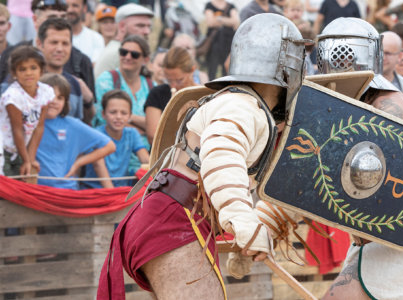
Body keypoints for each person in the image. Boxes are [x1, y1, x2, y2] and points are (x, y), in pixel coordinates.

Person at [97, 13, 309, 299]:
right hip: (173, 220)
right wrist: (243, 224)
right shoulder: (240, 105)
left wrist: (254, 231)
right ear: (287, 68)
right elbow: (222, 159)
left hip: (174, 220)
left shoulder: (244, 105)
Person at [316, 17, 403, 300]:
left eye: (345, 59)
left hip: (400, 240)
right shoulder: (339, 104)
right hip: (369, 239)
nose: (340, 65)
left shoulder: (387, 104)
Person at [0, 0, 95, 96]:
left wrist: (88, 101)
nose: (58, 23)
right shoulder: (11, 55)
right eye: (51, 18)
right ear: (35, 19)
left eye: (63, 18)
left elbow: (92, 107)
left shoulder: (81, 61)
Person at [36, 73, 115, 189]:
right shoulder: (30, 122)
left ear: (66, 102)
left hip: (66, 189)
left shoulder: (72, 124)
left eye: (60, 98)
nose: (54, 101)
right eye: (50, 95)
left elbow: (109, 146)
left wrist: (78, 162)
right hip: (34, 190)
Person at [0, 46, 52, 176]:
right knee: (6, 189)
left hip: (21, 149)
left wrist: (31, 158)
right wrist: (26, 160)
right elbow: (17, 129)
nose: (28, 73)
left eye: (33, 68)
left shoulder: (46, 92)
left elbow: (39, 127)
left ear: (41, 70)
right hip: (4, 150)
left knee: (22, 186)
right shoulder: (12, 96)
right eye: (22, 69)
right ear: (14, 73)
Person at [84, 89, 149, 188]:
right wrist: (115, 197)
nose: (118, 117)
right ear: (103, 114)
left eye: (124, 113)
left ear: (130, 116)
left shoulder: (132, 133)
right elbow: (99, 166)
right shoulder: (96, 134)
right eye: (113, 112)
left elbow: (146, 160)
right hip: (97, 190)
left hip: (121, 190)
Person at [36, 18, 94, 124]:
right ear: (39, 44)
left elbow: (78, 127)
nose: (60, 48)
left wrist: (89, 101)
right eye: (54, 42)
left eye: (65, 43)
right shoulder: (28, 80)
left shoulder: (75, 84)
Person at [94, 34, 153, 133]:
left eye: (134, 54)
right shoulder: (106, 80)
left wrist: (131, 118)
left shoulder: (151, 86)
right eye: (123, 52)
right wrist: (144, 129)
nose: (128, 57)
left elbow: (159, 125)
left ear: (145, 59)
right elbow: (103, 118)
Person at [144, 47, 199, 144]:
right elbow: (153, 136)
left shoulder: (204, 94)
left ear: (192, 70)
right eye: (168, 80)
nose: (173, 85)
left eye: (179, 80)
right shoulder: (157, 93)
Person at [93, 3, 153, 78]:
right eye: (140, 26)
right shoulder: (118, 52)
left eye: (149, 26)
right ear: (122, 26)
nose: (146, 31)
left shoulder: (117, 49)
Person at [204, 0, 239, 81]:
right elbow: (210, 23)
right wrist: (228, 20)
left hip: (228, 42)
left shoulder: (231, 6)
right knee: (212, 69)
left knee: (227, 69)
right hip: (214, 43)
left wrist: (219, 19)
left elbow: (236, 22)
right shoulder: (209, 5)